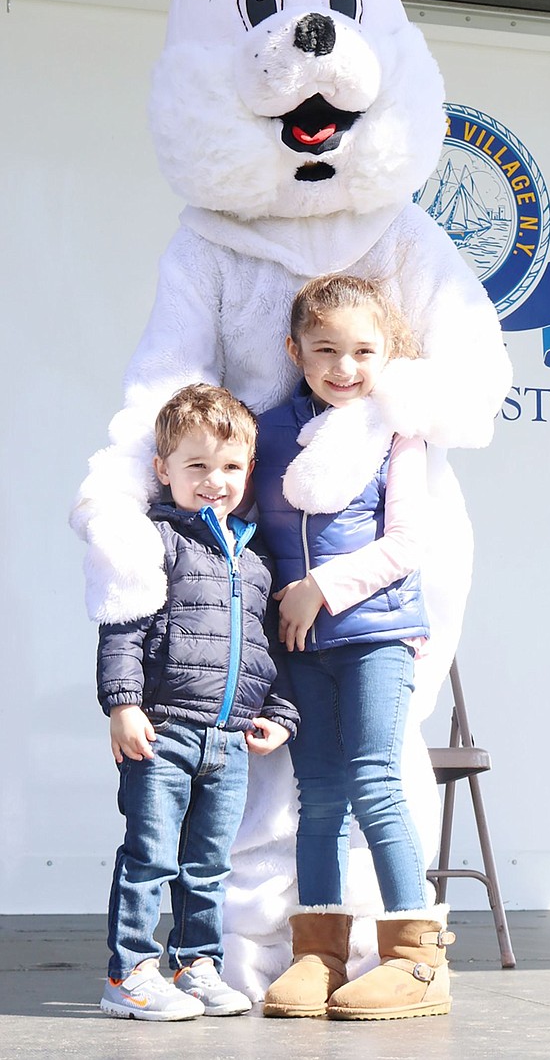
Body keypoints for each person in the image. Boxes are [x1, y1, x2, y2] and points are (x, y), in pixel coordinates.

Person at [252, 274, 455, 1022]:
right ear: (294, 351)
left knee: (374, 781)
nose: (344, 366)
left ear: (387, 352)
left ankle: (416, 959)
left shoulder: (396, 429)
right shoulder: (267, 430)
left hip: (375, 635)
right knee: (320, 797)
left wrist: (321, 587)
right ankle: (321, 950)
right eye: (325, 349)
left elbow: (407, 541)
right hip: (299, 647)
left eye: (363, 350)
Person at [97, 383, 299, 1022]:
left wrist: (283, 715)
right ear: (164, 470)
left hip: (231, 740)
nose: (216, 480)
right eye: (198, 465)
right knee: (150, 856)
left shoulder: (257, 555)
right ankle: (128, 973)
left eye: (232, 466)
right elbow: (121, 624)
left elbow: (274, 649)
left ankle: (194, 965)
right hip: (162, 731)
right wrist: (124, 703)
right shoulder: (156, 539)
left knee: (208, 865)